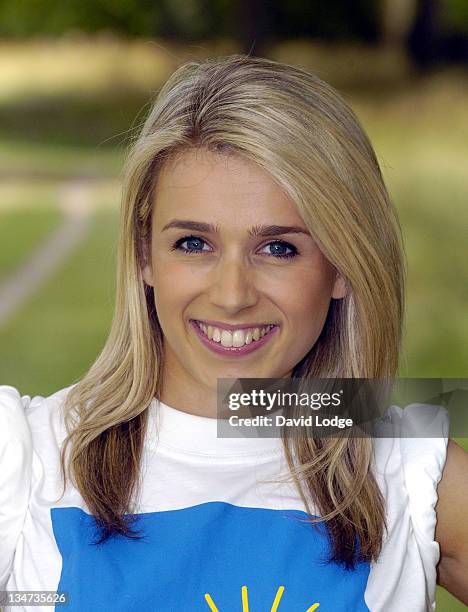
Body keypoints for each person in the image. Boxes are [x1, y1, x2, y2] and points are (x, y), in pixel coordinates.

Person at [0, 55, 467, 612]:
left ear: (343, 267)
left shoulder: (410, 469)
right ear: (145, 254)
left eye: (279, 248)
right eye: (194, 244)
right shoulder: (24, 458)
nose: (232, 294)